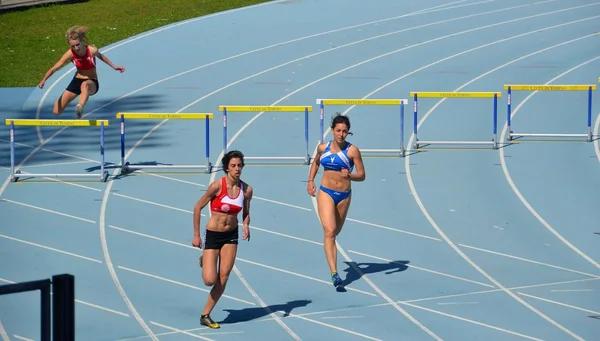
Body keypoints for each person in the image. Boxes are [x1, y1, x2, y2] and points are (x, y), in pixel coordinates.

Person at [192, 150, 253, 329]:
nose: (237, 169)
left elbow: (247, 212)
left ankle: (205, 315)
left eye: (239, 166)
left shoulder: (247, 190)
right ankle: (206, 259)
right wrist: (196, 235)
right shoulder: (217, 187)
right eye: (233, 166)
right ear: (226, 168)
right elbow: (197, 207)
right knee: (209, 280)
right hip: (213, 234)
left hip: (231, 236)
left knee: (223, 277)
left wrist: (246, 225)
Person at [307, 113, 366, 288]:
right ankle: (334, 273)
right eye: (338, 130)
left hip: (344, 195)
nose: (341, 134)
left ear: (348, 133)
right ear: (332, 130)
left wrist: (350, 176)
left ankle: (331, 254)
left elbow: (362, 175)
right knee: (330, 231)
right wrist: (310, 180)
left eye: (345, 131)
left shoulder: (352, 151)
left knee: (335, 232)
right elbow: (316, 163)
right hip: (326, 192)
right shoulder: (322, 148)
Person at [38, 25, 125, 119]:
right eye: (73, 46)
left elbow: (101, 56)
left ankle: (80, 107)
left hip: (91, 81)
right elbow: (54, 68)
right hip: (77, 80)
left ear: (81, 41)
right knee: (56, 111)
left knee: (84, 85)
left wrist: (114, 66)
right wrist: (44, 80)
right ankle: (78, 96)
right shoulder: (70, 54)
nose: (76, 48)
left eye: (77, 45)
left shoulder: (92, 50)